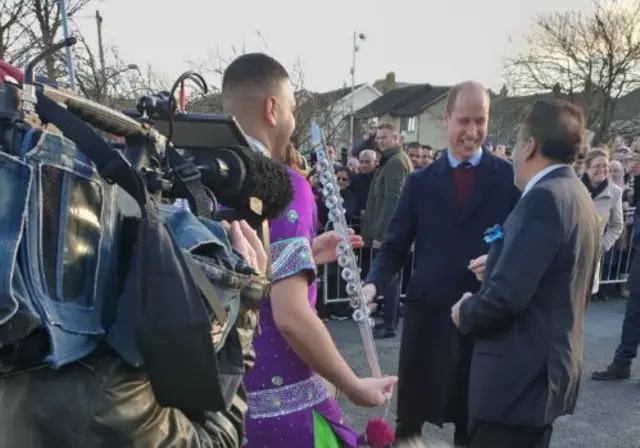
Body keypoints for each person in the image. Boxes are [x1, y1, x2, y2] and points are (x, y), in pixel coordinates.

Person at [221, 53, 397, 448]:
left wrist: (306, 255)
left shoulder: (194, 179)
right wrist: (353, 386)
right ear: (272, 109)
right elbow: (291, 316)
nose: (293, 122)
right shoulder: (281, 185)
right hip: (286, 422)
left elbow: (236, 272)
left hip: (221, 419)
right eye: (292, 110)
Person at [362, 81, 520, 447]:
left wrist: (499, 257)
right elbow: (396, 246)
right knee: (410, 421)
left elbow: (519, 242)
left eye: (480, 121)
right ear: (447, 119)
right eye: (464, 120)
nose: (472, 131)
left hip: (481, 315)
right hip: (428, 316)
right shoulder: (419, 182)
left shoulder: (508, 179)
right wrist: (372, 284)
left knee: (472, 418)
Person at [451, 99, 600, 448]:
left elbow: (506, 298)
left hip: (516, 383)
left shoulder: (543, 199)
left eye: (518, 142)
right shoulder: (576, 194)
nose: (514, 152)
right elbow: (561, 271)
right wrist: (503, 262)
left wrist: (464, 312)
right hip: (542, 377)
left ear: (530, 145)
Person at [361, 122, 413, 339]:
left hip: (388, 233)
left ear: (397, 139)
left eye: (385, 137)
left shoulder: (395, 163)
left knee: (390, 279)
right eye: (379, 138)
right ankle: (389, 321)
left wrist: (382, 235)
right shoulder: (390, 160)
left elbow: (393, 201)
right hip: (387, 230)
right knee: (392, 279)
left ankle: (390, 324)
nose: (380, 141)